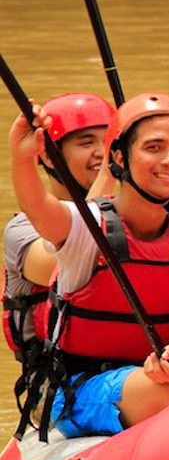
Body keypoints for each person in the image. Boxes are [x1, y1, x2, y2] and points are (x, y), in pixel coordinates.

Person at [9, 93, 169, 440]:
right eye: (154, 148)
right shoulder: (84, 228)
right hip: (81, 385)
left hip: (163, 372)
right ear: (120, 157)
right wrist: (22, 158)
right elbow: (38, 206)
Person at [4, 93, 116, 372]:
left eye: (109, 142)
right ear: (49, 157)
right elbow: (62, 263)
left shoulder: (137, 217)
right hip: (64, 379)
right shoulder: (22, 230)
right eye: (87, 143)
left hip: (141, 367)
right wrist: (109, 172)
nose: (102, 152)